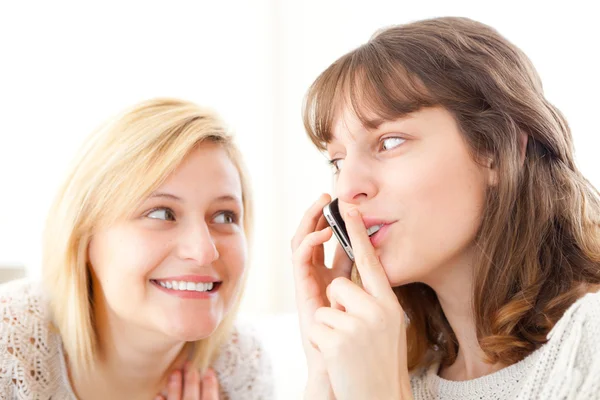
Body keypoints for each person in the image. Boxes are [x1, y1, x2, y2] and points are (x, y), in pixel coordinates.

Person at [291, 17, 600, 400]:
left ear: (497, 153)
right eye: (336, 161)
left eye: (389, 143)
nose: (348, 189)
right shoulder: (396, 373)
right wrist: (325, 373)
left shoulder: (590, 344)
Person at [0, 98, 273, 399]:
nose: (204, 251)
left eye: (224, 216)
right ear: (85, 234)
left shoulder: (240, 364)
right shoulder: (9, 346)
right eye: (161, 213)